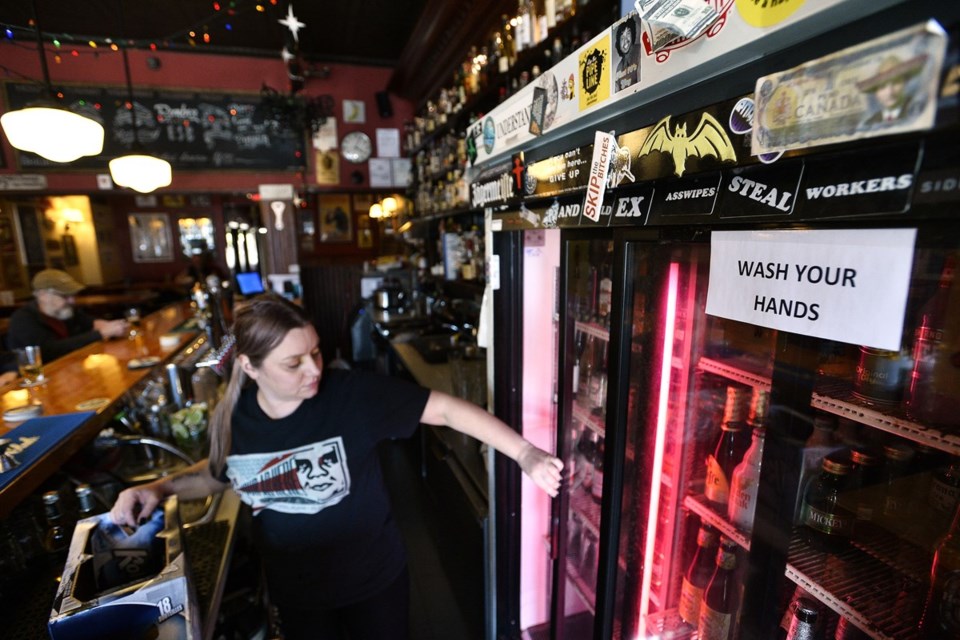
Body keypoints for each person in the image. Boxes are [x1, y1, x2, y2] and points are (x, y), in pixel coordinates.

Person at [110, 294, 562, 640]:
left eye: (316, 352)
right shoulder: (234, 418)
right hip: (297, 591)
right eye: (293, 363)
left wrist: (524, 453)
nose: (313, 369)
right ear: (249, 366)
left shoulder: (350, 396)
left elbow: (444, 410)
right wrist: (160, 489)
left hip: (373, 585)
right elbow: (221, 474)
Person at [7, 269, 128, 362]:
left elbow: (89, 322)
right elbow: (49, 352)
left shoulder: (63, 312)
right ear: (43, 295)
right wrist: (101, 334)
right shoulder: (23, 319)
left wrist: (109, 325)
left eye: (73, 295)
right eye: (65, 296)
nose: (72, 301)